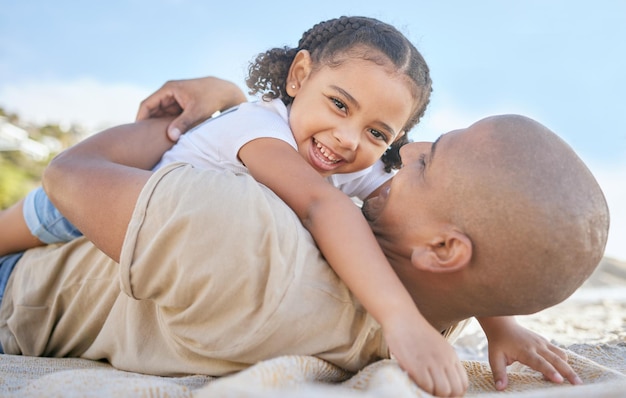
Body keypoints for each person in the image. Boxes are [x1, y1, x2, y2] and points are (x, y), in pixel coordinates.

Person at [0, 97, 609, 397]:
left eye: (430, 161)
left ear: (444, 248)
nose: (410, 150)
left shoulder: (242, 232)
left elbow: (69, 175)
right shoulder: (422, 324)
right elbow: (478, 266)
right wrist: (497, 317)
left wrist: (205, 114)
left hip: (15, 286)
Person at [0, 17, 455, 391]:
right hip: (108, 197)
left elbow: (433, 219)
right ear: (299, 76)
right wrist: (400, 319)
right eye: (339, 104)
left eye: (378, 133)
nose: (349, 138)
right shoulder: (261, 130)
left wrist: (497, 322)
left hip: (149, 236)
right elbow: (320, 206)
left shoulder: (344, 156)